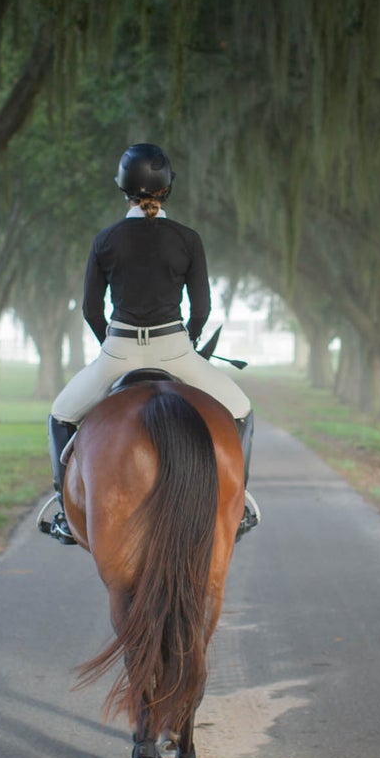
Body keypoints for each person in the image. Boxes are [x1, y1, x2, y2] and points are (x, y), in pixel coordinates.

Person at [39, 143, 260, 545]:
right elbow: (202, 307)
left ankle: (62, 510)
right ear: (167, 190)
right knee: (242, 410)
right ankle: (238, 505)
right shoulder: (187, 239)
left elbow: (91, 310)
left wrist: (111, 346)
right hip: (176, 350)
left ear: (124, 190)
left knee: (60, 415)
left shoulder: (105, 240)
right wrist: (187, 342)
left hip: (118, 351)